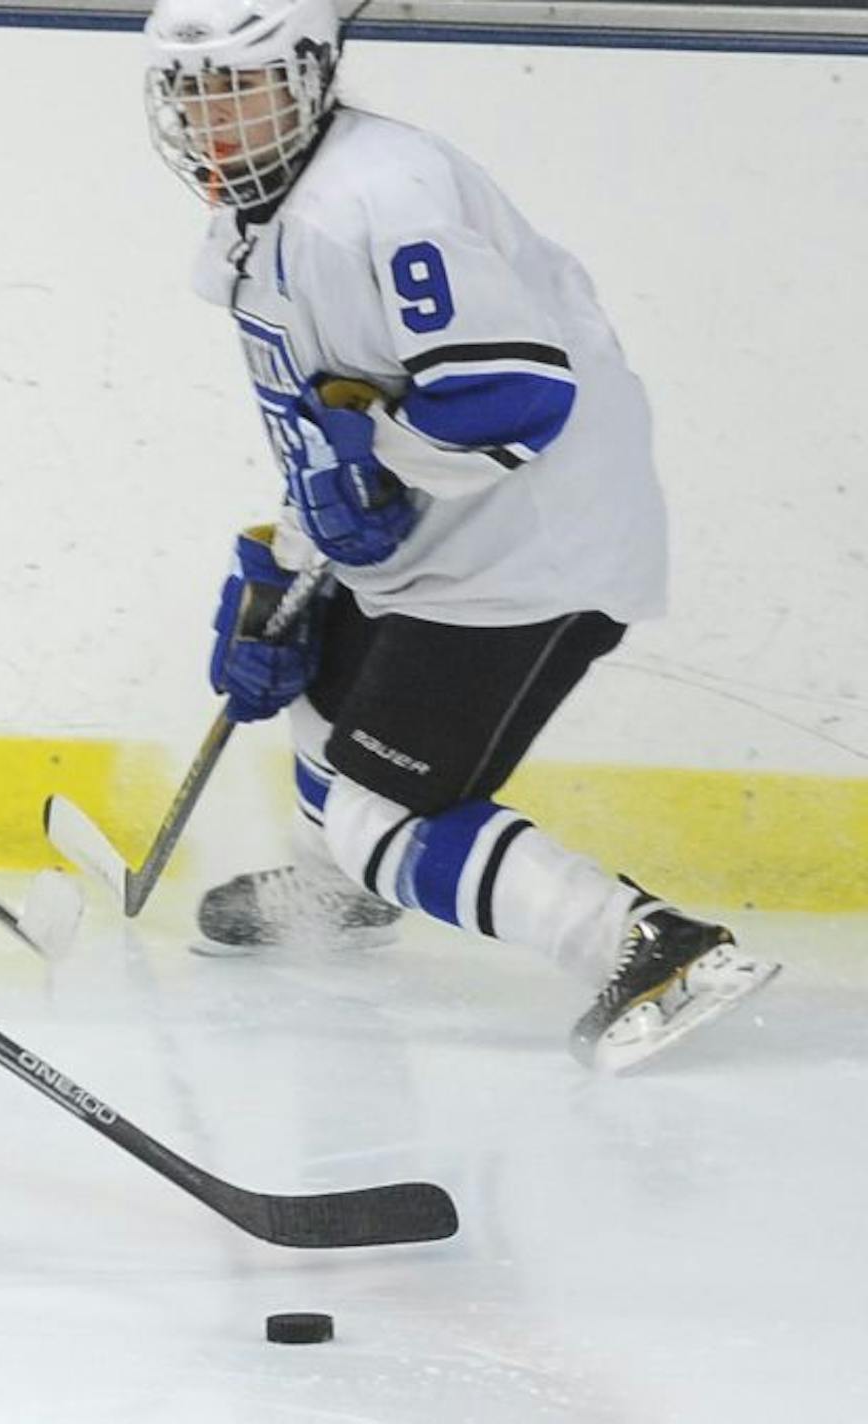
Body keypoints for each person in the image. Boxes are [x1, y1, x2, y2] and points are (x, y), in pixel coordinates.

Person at [137, 0, 777, 1070]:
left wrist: (375, 472)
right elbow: (331, 413)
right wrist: (286, 562)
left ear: (312, 77)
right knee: (316, 691)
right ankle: (343, 892)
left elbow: (514, 397)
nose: (217, 117)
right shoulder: (263, 213)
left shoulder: (379, 202)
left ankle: (652, 944)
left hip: (525, 548)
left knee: (379, 813)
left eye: (242, 86)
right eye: (194, 92)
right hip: (445, 530)